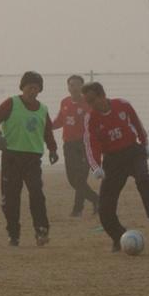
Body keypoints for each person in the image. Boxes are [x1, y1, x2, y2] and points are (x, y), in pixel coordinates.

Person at [81, 81, 149, 252]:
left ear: (102, 95)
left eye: (92, 100)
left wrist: (145, 144)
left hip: (133, 153)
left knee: (144, 178)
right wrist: (96, 167)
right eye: (88, 102)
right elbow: (90, 143)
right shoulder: (90, 118)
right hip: (112, 161)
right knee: (105, 206)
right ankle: (118, 236)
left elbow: (137, 124)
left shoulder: (122, 105)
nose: (91, 105)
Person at [0, 71, 58, 246]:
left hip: (33, 159)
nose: (32, 91)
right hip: (12, 157)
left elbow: (47, 131)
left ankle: (41, 231)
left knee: (37, 194)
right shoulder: (11, 103)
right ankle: (13, 233)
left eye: (36, 88)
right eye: (29, 87)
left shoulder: (42, 109)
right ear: (22, 87)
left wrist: (53, 149)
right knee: (11, 198)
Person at [52, 74, 100, 217]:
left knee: (80, 178)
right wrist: (46, 127)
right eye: (71, 85)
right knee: (72, 180)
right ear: (68, 87)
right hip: (69, 145)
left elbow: (96, 122)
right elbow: (60, 120)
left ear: (82, 87)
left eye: (77, 85)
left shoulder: (88, 103)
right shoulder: (65, 102)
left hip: (84, 145)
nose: (74, 88)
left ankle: (77, 209)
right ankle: (96, 199)